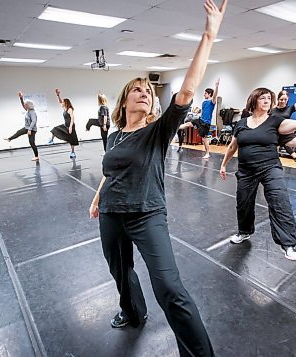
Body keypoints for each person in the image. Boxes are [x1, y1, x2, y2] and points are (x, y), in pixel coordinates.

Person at [89, 1, 227, 355]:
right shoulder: (114, 134)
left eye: (148, 91)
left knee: (169, 287)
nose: (145, 93)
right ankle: (132, 312)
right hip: (111, 214)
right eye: (138, 89)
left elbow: (185, 93)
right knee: (121, 273)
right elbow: (110, 170)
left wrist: (209, 34)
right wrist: (96, 199)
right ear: (125, 98)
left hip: (147, 214)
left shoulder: (156, 131)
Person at [219, 87, 296, 262]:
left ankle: (288, 244)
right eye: (263, 98)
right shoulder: (241, 123)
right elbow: (232, 146)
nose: (267, 100)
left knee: (279, 201)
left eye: (269, 98)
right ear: (254, 101)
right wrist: (223, 164)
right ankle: (244, 232)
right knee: (243, 204)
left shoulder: (276, 121)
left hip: (270, 168)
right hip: (246, 170)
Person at [178, 79, 219, 159]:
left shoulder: (212, 102)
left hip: (205, 123)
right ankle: (175, 127)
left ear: (209, 94)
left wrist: (216, 86)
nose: (204, 94)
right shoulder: (204, 102)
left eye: (205, 93)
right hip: (200, 120)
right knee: (188, 124)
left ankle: (207, 153)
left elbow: (215, 96)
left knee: (204, 140)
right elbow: (203, 111)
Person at [4, 92, 39, 161]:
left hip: (32, 129)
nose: (24, 106)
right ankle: (9, 139)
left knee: (32, 142)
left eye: (25, 105)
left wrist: (29, 130)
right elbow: (23, 105)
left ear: (28, 106)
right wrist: (21, 98)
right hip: (27, 128)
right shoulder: (28, 110)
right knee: (19, 132)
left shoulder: (32, 112)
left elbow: (34, 121)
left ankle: (36, 156)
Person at [48, 89, 79, 158]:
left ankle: (73, 152)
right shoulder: (64, 108)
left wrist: (70, 127)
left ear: (66, 103)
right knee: (55, 129)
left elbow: (72, 118)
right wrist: (58, 95)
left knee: (72, 140)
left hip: (71, 126)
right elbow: (60, 102)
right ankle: (52, 140)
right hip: (65, 125)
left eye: (64, 102)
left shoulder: (70, 109)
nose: (62, 103)